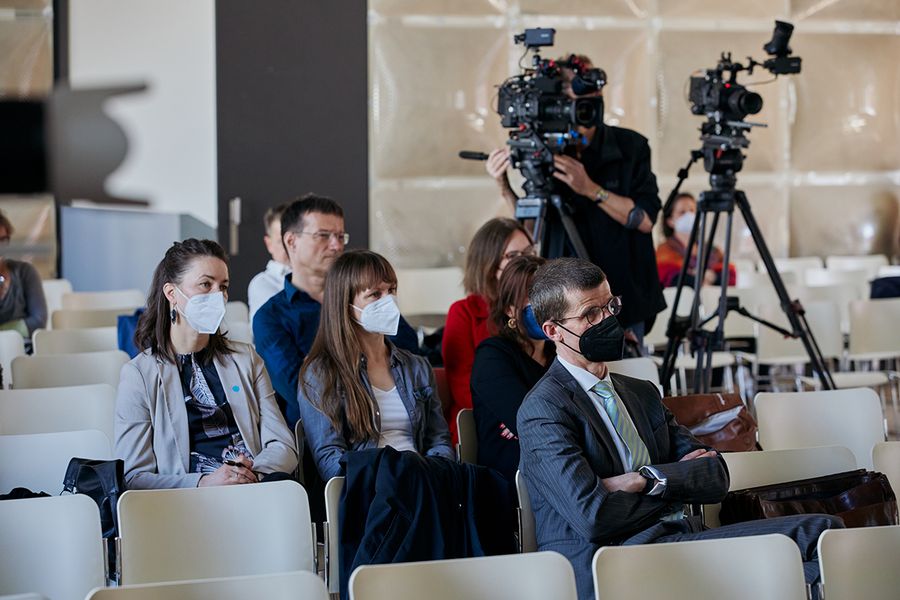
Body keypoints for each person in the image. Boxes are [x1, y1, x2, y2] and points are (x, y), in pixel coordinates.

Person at [517, 257, 842, 600]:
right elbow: (594, 516)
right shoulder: (543, 409)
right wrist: (677, 485)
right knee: (801, 564)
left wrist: (647, 479)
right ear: (553, 331)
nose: (608, 320)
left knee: (824, 535)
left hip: (680, 540)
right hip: (620, 560)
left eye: (610, 306)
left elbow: (715, 476)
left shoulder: (640, 392)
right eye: (590, 315)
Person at [485, 54, 665, 344]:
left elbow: (645, 220)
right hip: (566, 307)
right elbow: (531, 233)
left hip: (623, 296)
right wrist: (504, 186)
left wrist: (590, 188)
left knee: (624, 379)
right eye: (566, 94)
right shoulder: (545, 152)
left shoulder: (631, 146)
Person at [115, 238, 297, 489]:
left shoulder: (246, 360)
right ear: (172, 294)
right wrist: (204, 483)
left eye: (223, 286)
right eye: (205, 284)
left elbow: (283, 445)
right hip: (189, 503)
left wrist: (251, 474)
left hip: (254, 488)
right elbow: (134, 477)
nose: (218, 296)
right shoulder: (139, 375)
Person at [252, 194, 419, 426]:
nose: (337, 245)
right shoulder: (271, 317)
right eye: (323, 236)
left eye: (340, 236)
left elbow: (410, 354)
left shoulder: (367, 298)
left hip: (393, 418)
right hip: (320, 435)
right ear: (291, 241)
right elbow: (299, 392)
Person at [297, 249, 454, 481]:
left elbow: (438, 440)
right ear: (346, 305)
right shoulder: (321, 374)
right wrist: (389, 477)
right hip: (371, 492)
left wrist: (429, 474)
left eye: (391, 290)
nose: (388, 301)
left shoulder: (417, 367)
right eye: (375, 294)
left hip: (423, 481)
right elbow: (330, 461)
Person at [442, 217, 534, 442]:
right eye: (513, 256)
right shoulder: (464, 312)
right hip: (483, 424)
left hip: (531, 419)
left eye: (529, 252)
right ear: (489, 265)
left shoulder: (536, 309)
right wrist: (514, 415)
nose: (525, 261)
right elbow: (464, 390)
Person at [470, 254, 553, 485]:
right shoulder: (492, 356)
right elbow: (531, 423)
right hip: (509, 479)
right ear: (509, 309)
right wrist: (530, 423)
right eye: (531, 295)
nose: (543, 303)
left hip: (560, 463)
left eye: (547, 292)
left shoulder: (562, 352)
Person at [656, 192, 736, 288]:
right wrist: (702, 278)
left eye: (692, 210)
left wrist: (713, 277)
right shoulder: (664, 251)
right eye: (682, 212)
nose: (689, 216)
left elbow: (730, 275)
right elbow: (671, 278)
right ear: (670, 221)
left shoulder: (712, 250)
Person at [0, 210, 47, 338]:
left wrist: (3, 333)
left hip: (23, 350)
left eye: (3, 240)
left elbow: (39, 321)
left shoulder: (25, 272)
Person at [247, 202, 292, 321]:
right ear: (269, 244)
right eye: (281, 241)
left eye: (293, 240)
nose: (289, 247)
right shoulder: (262, 283)